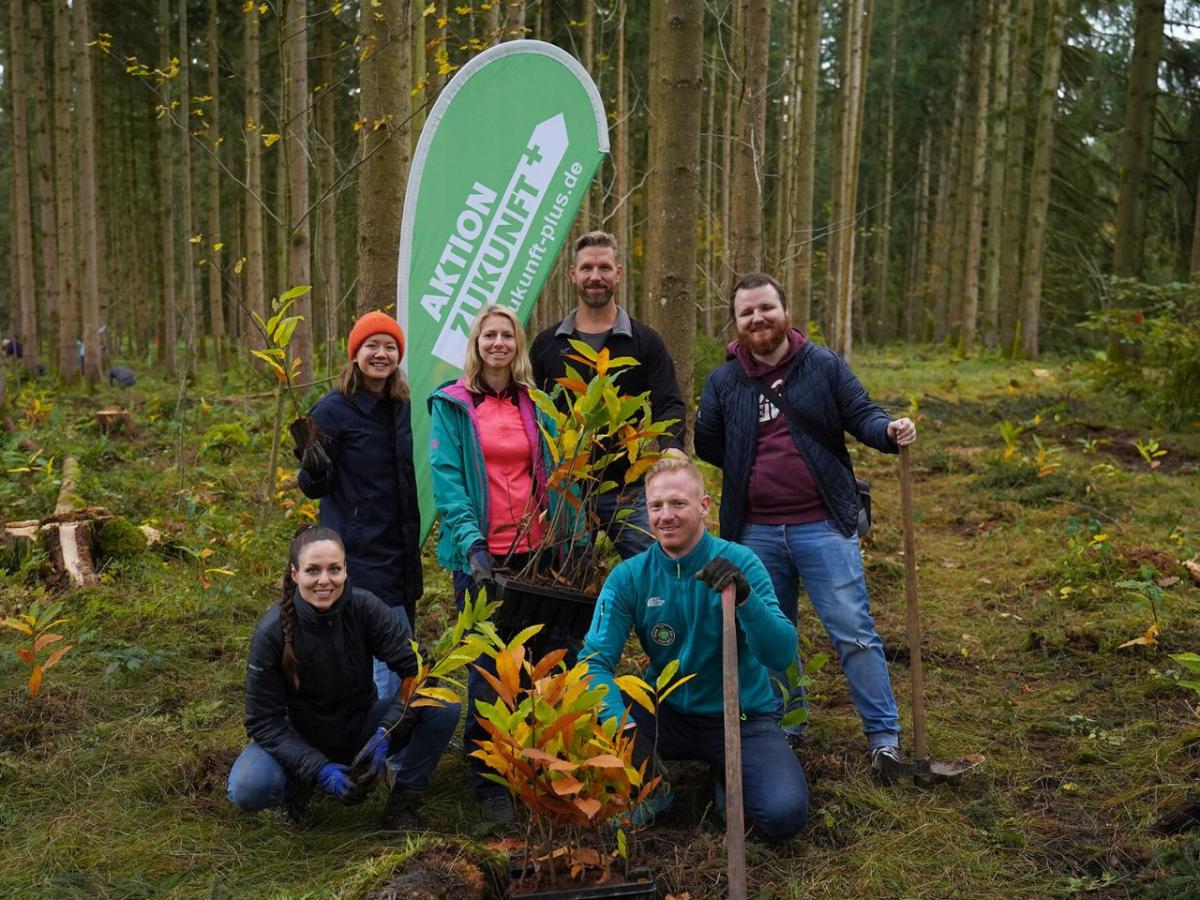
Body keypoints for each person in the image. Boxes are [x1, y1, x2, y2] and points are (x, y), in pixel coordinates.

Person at [694, 272, 917, 783]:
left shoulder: (823, 365)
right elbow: (709, 443)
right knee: (771, 634)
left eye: (766, 307)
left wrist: (889, 431)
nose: (758, 318)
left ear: (785, 308)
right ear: (737, 322)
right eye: (747, 312)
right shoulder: (724, 381)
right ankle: (788, 725)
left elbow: (861, 415)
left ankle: (884, 739)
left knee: (854, 632)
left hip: (823, 524)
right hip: (756, 532)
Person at [580, 458, 810, 840]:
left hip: (741, 717)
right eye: (656, 506)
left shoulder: (740, 562)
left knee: (782, 815)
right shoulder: (629, 578)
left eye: (678, 504)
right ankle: (654, 786)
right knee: (589, 711)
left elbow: (781, 654)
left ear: (704, 506)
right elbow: (594, 662)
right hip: (667, 710)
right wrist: (622, 727)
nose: (665, 516)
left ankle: (726, 771)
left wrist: (746, 600)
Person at [429, 304, 573, 825]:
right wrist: (472, 546)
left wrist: (570, 538)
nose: (497, 343)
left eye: (506, 335)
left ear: (518, 345)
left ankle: (539, 767)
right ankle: (490, 781)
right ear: (476, 343)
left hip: (536, 554)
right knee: (490, 669)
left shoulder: (536, 404)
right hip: (482, 559)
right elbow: (447, 480)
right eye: (488, 335)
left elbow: (558, 472)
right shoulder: (452, 404)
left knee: (540, 662)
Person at [226, 526, 459, 829]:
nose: (325, 580)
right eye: (313, 570)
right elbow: (262, 721)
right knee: (246, 787)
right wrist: (316, 768)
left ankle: (404, 801)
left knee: (444, 705)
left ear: (346, 570)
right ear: (295, 574)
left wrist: (386, 732)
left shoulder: (366, 608)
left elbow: (419, 671)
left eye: (334, 569)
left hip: (361, 726)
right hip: (301, 737)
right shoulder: (271, 633)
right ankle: (297, 791)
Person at [531, 231, 687, 560]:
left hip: (626, 490)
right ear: (573, 274)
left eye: (604, 267)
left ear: (618, 272)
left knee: (656, 568)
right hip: (564, 491)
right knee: (564, 580)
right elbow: (531, 413)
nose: (595, 276)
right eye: (586, 268)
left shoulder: (645, 342)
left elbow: (668, 402)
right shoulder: (548, 344)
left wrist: (670, 447)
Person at [295, 311, 422, 700]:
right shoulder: (332, 410)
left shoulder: (399, 404)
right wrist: (314, 469)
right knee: (382, 654)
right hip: (359, 552)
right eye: (372, 346)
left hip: (399, 549)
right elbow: (313, 488)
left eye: (389, 347)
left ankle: (392, 730)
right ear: (355, 354)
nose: (380, 354)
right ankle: (376, 743)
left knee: (399, 651)